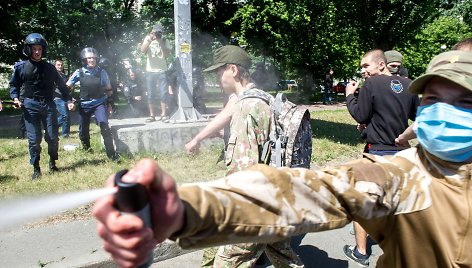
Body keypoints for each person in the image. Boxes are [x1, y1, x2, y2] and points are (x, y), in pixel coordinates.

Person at [93, 49, 472, 268]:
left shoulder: (250, 104)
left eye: (465, 101)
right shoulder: (404, 178)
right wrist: (185, 210)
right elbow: (311, 191)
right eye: (434, 100)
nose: (443, 113)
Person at [198, 45, 302, 267]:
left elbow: (244, 168)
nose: (218, 79)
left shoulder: (246, 106)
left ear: (233, 70)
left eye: (219, 72)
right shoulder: (264, 98)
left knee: (226, 262)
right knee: (284, 258)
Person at [345, 49, 419, 266]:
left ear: (380, 65)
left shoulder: (372, 84)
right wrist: (404, 135)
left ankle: (360, 252)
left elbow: (360, 114)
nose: (363, 71)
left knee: (363, 205)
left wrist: (349, 94)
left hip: (377, 153)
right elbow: (419, 117)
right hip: (402, 154)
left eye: (366, 66)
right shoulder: (408, 84)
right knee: (396, 205)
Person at [9, 33, 75, 180]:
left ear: (43, 50)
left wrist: (69, 99)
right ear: (29, 49)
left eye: (39, 49)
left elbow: (62, 86)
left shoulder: (50, 68)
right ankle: (36, 168)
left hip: (48, 104)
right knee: (34, 139)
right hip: (30, 105)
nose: (37, 52)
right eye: (34, 49)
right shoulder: (21, 67)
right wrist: (15, 98)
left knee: (52, 137)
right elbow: (14, 84)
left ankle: (52, 162)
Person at [66, 47, 117, 161]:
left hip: (99, 103)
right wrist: (70, 100)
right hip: (84, 105)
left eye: (94, 58)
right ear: (84, 59)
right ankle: (87, 148)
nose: (92, 60)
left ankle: (112, 154)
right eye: (89, 58)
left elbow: (109, 89)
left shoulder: (102, 72)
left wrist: (109, 105)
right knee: (83, 130)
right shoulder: (79, 72)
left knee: (104, 126)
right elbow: (67, 87)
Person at [140, 23, 171, 123]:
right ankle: (152, 115)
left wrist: (160, 41)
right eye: (155, 32)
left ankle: (164, 115)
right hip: (150, 70)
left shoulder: (165, 40)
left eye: (159, 32)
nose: (157, 34)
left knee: (163, 93)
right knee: (151, 94)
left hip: (162, 70)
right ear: (152, 31)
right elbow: (142, 51)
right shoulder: (148, 38)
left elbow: (166, 55)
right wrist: (150, 39)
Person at [53, 59, 71, 138]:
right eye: (58, 65)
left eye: (61, 65)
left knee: (66, 116)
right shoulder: (52, 75)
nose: (60, 66)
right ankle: (63, 134)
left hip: (64, 98)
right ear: (55, 66)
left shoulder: (63, 75)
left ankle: (64, 133)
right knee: (65, 116)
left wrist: (70, 97)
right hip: (57, 98)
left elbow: (66, 88)